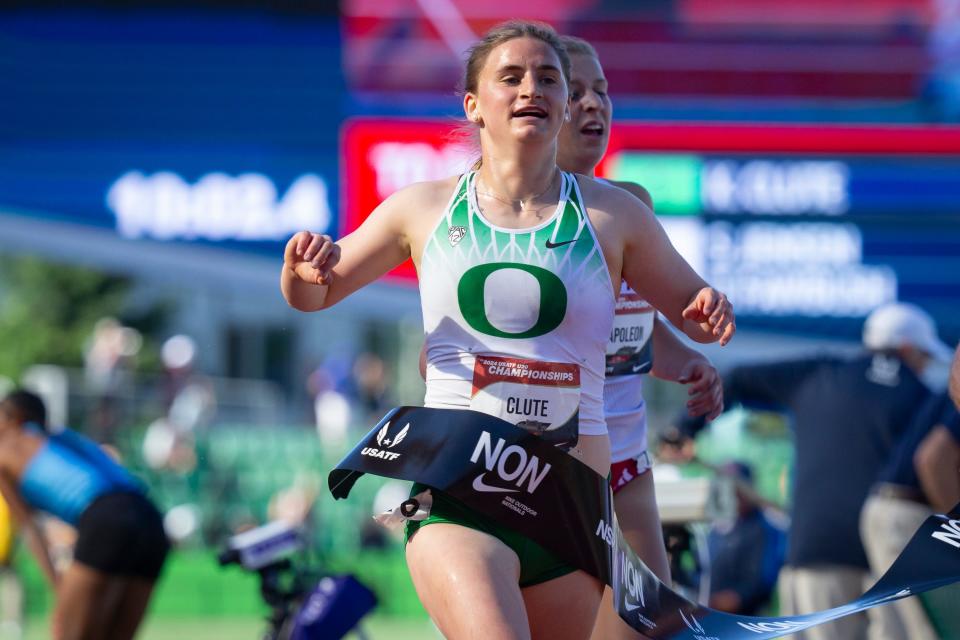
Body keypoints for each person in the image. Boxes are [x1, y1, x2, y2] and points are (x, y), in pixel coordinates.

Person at [282, 20, 733, 640]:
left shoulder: (615, 214)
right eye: (511, 77)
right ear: (473, 105)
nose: (532, 89)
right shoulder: (424, 207)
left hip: (570, 510)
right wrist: (302, 272)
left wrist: (708, 311)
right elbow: (316, 292)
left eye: (549, 78)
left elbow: (691, 310)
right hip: (463, 501)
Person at [553, 35, 724, 640]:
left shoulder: (631, 204)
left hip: (626, 460)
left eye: (602, 90)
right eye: (574, 91)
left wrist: (689, 363)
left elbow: (637, 328)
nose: (594, 104)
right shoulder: (504, 216)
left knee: (649, 627)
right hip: (542, 464)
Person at [678, 302, 949, 640]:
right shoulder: (925, 396)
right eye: (925, 358)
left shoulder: (820, 373)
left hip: (818, 547)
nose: (924, 367)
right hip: (889, 556)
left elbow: (734, 379)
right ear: (909, 349)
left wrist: (684, 430)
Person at [0, 389, 169, 640]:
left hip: (107, 515)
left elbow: (30, 529)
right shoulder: (66, 438)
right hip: (151, 519)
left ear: (16, 419)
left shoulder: (6, 448)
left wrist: (59, 585)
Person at [860, 385, 959, 640]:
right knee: (930, 631)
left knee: (892, 631)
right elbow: (933, 459)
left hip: (886, 509)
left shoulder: (945, 392)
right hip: (911, 515)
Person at [706, 461, 786, 617]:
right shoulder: (716, 528)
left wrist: (737, 598)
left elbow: (765, 578)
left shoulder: (765, 527)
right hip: (710, 616)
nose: (731, 495)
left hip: (747, 619)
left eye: (736, 489)